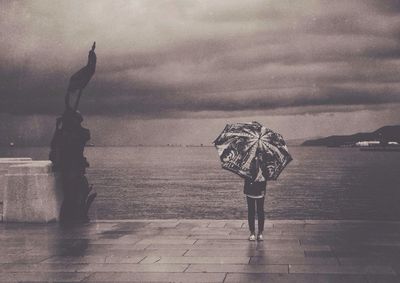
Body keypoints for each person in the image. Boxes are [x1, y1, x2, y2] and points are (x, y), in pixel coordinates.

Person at [244, 152, 267, 241]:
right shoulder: (247, 159)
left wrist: (262, 165)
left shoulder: (264, 161)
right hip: (250, 188)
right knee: (251, 211)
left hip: (260, 188)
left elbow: (268, 174)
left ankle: (260, 232)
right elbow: (244, 173)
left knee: (260, 211)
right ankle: (252, 232)